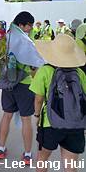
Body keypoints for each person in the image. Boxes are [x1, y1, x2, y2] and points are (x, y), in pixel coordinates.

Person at [30, 34, 86, 172]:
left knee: (42, 158)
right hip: (75, 124)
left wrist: (36, 116)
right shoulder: (80, 73)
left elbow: (38, 99)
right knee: (70, 164)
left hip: (50, 123)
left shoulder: (45, 70)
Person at [0, 11, 39, 165]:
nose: (30, 28)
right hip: (24, 83)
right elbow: (35, 64)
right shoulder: (25, 40)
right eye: (29, 25)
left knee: (6, 115)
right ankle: (27, 155)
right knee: (26, 118)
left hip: (8, 81)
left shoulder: (8, 36)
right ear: (22, 24)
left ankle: (0, 149)